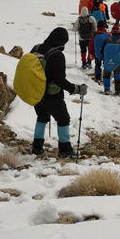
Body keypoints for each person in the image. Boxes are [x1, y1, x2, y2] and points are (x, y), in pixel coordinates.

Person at [30, 27, 87, 157]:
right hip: (52, 94)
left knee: (42, 117)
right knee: (63, 119)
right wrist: (77, 89)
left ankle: (37, 147)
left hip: (36, 92)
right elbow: (60, 80)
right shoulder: (57, 55)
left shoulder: (36, 48)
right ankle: (65, 149)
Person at [101, 25, 120, 95]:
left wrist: (101, 60)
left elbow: (102, 52)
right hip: (118, 63)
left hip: (107, 62)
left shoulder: (107, 40)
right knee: (117, 76)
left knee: (107, 76)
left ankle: (107, 89)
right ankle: (117, 91)